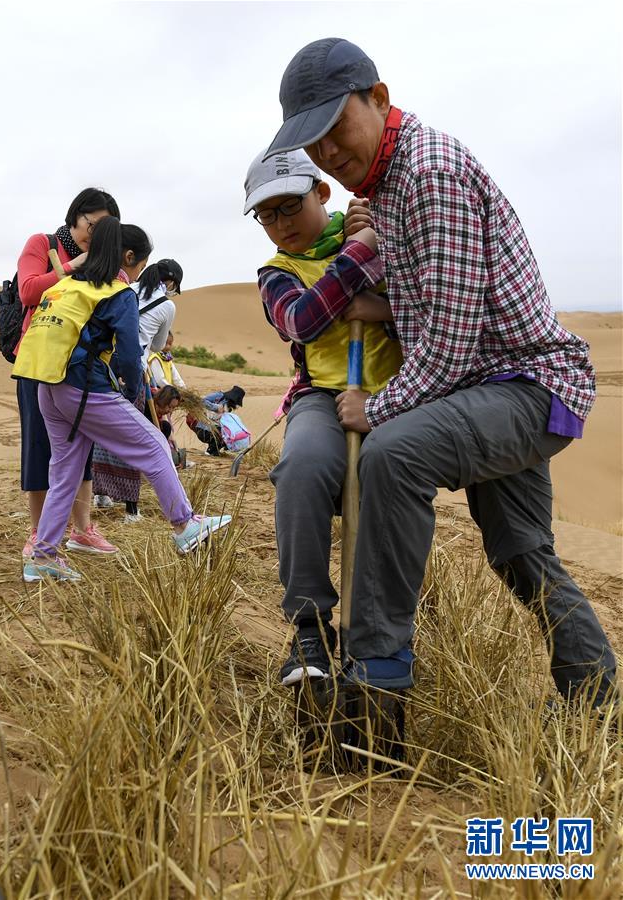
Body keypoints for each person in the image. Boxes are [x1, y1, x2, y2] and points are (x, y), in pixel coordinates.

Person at [263, 37, 617, 705]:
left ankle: (376, 681)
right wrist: (381, 298)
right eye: (313, 144)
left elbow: (451, 343)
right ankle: (595, 692)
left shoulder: (428, 173)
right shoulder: (389, 187)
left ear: (379, 99)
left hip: (523, 386)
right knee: (520, 551)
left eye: (337, 128)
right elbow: (435, 299)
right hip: (487, 389)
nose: (329, 153)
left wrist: (379, 406)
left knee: (391, 455)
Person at [243, 148, 401, 685]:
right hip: (322, 396)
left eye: (291, 207)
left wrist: (378, 300)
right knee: (302, 467)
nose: (281, 225)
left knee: (385, 486)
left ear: (323, 194)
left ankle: (377, 637)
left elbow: (429, 309)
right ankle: (309, 626)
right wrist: (357, 256)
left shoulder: (379, 230)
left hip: (399, 396)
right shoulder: (277, 272)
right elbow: (303, 320)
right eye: (267, 216)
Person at [12, 217, 231, 582]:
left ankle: (44, 556)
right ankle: (185, 524)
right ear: (128, 256)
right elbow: (130, 356)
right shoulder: (117, 292)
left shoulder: (68, 284)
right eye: (141, 265)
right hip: (84, 390)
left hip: (47, 386)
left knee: (64, 472)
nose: (140, 274)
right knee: (155, 446)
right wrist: (130, 396)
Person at [15, 187, 120, 557]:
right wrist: (74, 267)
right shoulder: (42, 244)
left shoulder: (102, 260)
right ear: (75, 216)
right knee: (38, 444)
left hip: (81, 365)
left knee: (81, 447)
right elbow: (28, 292)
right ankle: (38, 531)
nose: (94, 234)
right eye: (91, 224)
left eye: (104, 229)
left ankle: (82, 530)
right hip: (40, 359)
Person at [91, 258, 184, 519]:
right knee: (134, 435)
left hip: (106, 367)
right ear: (169, 282)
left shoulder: (127, 290)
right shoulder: (167, 306)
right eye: (174, 285)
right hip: (134, 370)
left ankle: (101, 494)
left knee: (104, 433)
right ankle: (132, 509)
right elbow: (157, 345)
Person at [191, 386, 246, 457]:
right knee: (220, 435)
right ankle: (209, 452)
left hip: (215, 428)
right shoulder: (219, 396)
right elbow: (202, 401)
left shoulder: (228, 408)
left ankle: (214, 453)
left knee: (228, 436)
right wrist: (216, 408)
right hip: (203, 428)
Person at [153, 385, 194, 469]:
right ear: (162, 401)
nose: (170, 411)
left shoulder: (161, 413)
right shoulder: (148, 410)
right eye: (169, 407)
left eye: (173, 408)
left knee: (166, 427)